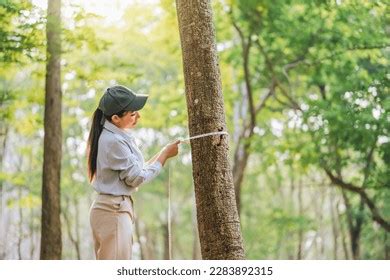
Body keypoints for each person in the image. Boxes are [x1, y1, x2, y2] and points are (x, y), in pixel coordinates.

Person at [86, 85, 180, 260]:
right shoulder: (113, 141)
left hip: (113, 210)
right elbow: (137, 178)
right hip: (113, 212)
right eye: (132, 113)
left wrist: (162, 153)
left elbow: (137, 169)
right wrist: (164, 156)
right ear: (115, 118)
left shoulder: (115, 136)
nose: (138, 116)